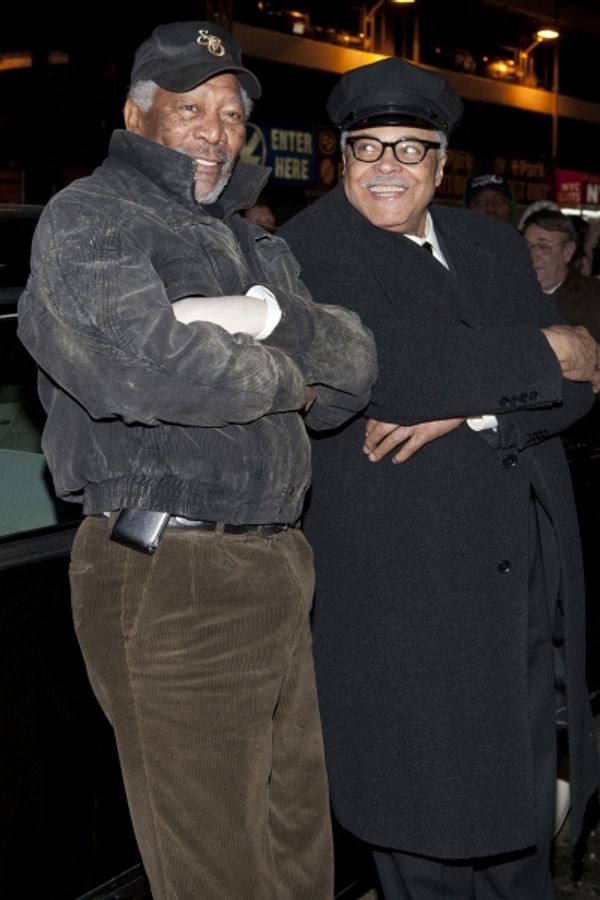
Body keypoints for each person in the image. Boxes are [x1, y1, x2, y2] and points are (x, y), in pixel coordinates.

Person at [17, 21, 377, 900]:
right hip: (172, 567)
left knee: (298, 854)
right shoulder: (91, 216)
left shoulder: (257, 242)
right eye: (192, 109)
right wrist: (289, 373)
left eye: (231, 113)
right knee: (219, 872)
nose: (217, 130)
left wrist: (249, 317)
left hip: (278, 559)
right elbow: (141, 368)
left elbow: (358, 366)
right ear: (138, 115)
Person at [280, 56, 600, 900]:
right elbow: (384, 370)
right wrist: (543, 355)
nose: (388, 165)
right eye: (367, 147)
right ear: (340, 157)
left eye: (410, 149)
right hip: (407, 609)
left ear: (442, 161)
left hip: (515, 591)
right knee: (424, 834)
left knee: (520, 830)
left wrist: (474, 406)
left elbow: (584, 386)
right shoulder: (309, 249)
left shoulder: (489, 243)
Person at [523, 208, 600, 342]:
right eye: (526, 246)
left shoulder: (595, 297)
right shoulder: (504, 293)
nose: (532, 255)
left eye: (543, 246)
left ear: (568, 251)